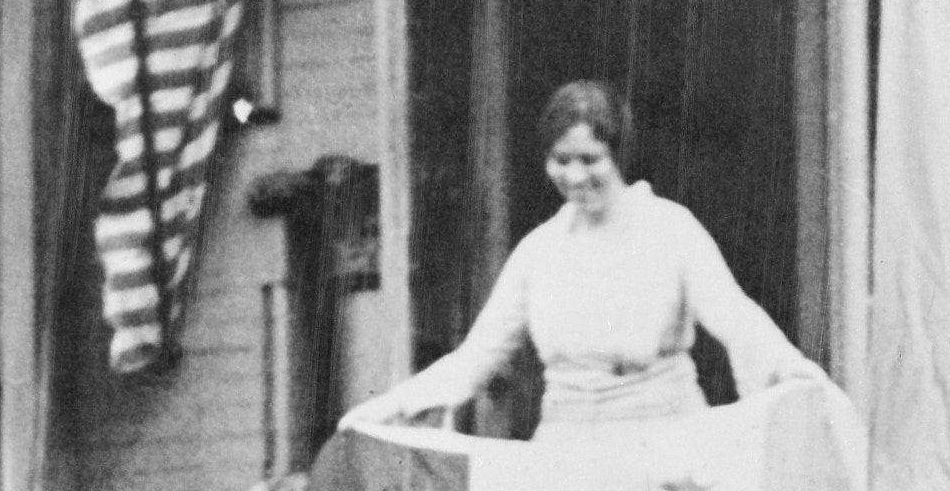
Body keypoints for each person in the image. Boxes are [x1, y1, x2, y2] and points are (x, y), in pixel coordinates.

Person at [343, 78, 824, 438]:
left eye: (590, 159)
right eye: (560, 159)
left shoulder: (670, 228)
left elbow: (734, 317)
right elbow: (478, 355)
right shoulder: (539, 251)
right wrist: (391, 406)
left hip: (664, 438)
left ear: (619, 154)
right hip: (568, 445)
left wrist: (794, 373)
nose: (574, 176)